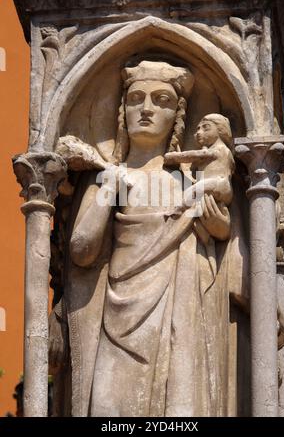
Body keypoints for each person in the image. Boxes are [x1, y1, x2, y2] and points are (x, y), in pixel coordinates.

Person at [50, 60, 232, 417]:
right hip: (116, 318)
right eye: (136, 99)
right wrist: (108, 193)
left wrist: (217, 226)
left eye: (161, 100)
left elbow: (221, 242)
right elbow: (82, 252)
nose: (146, 109)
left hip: (179, 314)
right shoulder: (110, 177)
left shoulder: (187, 182)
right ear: (122, 111)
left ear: (178, 116)